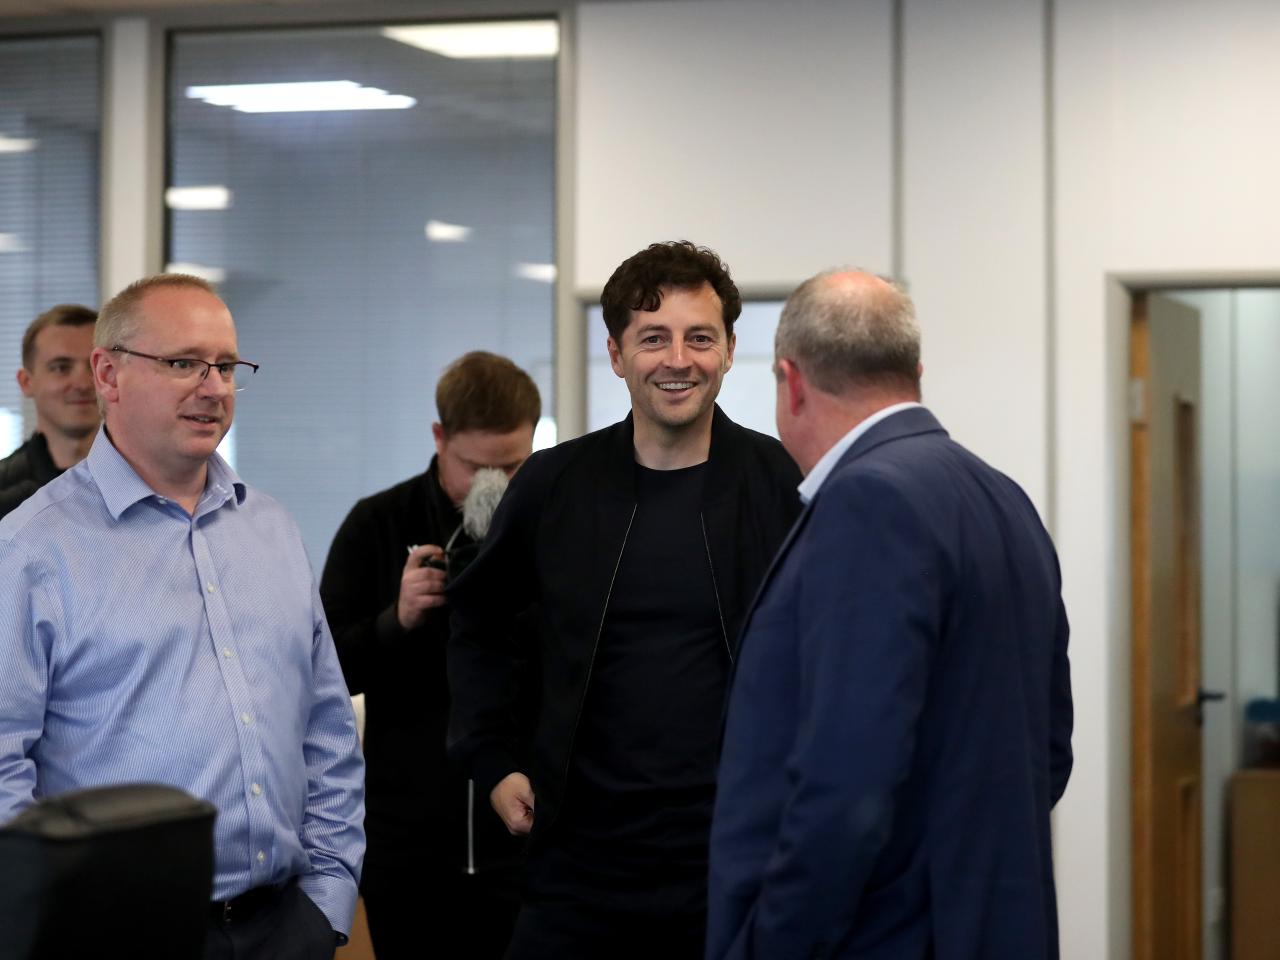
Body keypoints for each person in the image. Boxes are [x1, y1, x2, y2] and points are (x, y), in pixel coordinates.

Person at [448, 240, 802, 959]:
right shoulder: (552, 487)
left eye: (699, 337)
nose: (678, 359)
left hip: (736, 865)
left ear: (732, 350)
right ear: (616, 355)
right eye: (653, 338)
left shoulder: (780, 485)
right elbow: (478, 626)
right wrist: (494, 759)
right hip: (577, 869)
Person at [706, 270, 1074, 960]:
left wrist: (770, 943)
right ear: (915, 372)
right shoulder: (1004, 499)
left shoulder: (867, 504)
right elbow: (1049, 751)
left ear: (791, 381)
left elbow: (846, 790)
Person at [0, 274, 365, 960]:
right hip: (113, 935)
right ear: (108, 373)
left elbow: (326, 730)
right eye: (183, 363)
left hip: (286, 927)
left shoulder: (272, 530)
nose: (214, 387)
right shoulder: (28, 552)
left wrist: (328, 898)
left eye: (226, 366)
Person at [320, 350, 541, 959]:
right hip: (408, 849)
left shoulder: (550, 525)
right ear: (440, 437)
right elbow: (325, 670)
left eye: (515, 465)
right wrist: (399, 621)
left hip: (525, 844)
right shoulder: (377, 524)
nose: (495, 485)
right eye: (477, 467)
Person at [0, 304, 99, 519]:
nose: (83, 383)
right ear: (26, 382)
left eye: (94, 366)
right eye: (61, 367)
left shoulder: (155, 485)